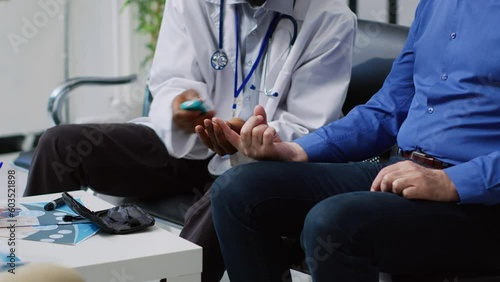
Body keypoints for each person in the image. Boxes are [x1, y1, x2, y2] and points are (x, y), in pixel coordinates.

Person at [23, 0, 356, 281]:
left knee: (231, 192)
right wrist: (179, 105)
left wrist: (256, 137)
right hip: (188, 141)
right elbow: (170, 78)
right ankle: (29, 270)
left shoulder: (329, 18)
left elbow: (309, 125)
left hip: (256, 162)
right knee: (60, 145)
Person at [209, 1, 500, 281]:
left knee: (333, 223)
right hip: (406, 170)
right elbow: (388, 108)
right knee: (238, 189)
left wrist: (449, 182)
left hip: (480, 202)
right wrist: (296, 150)